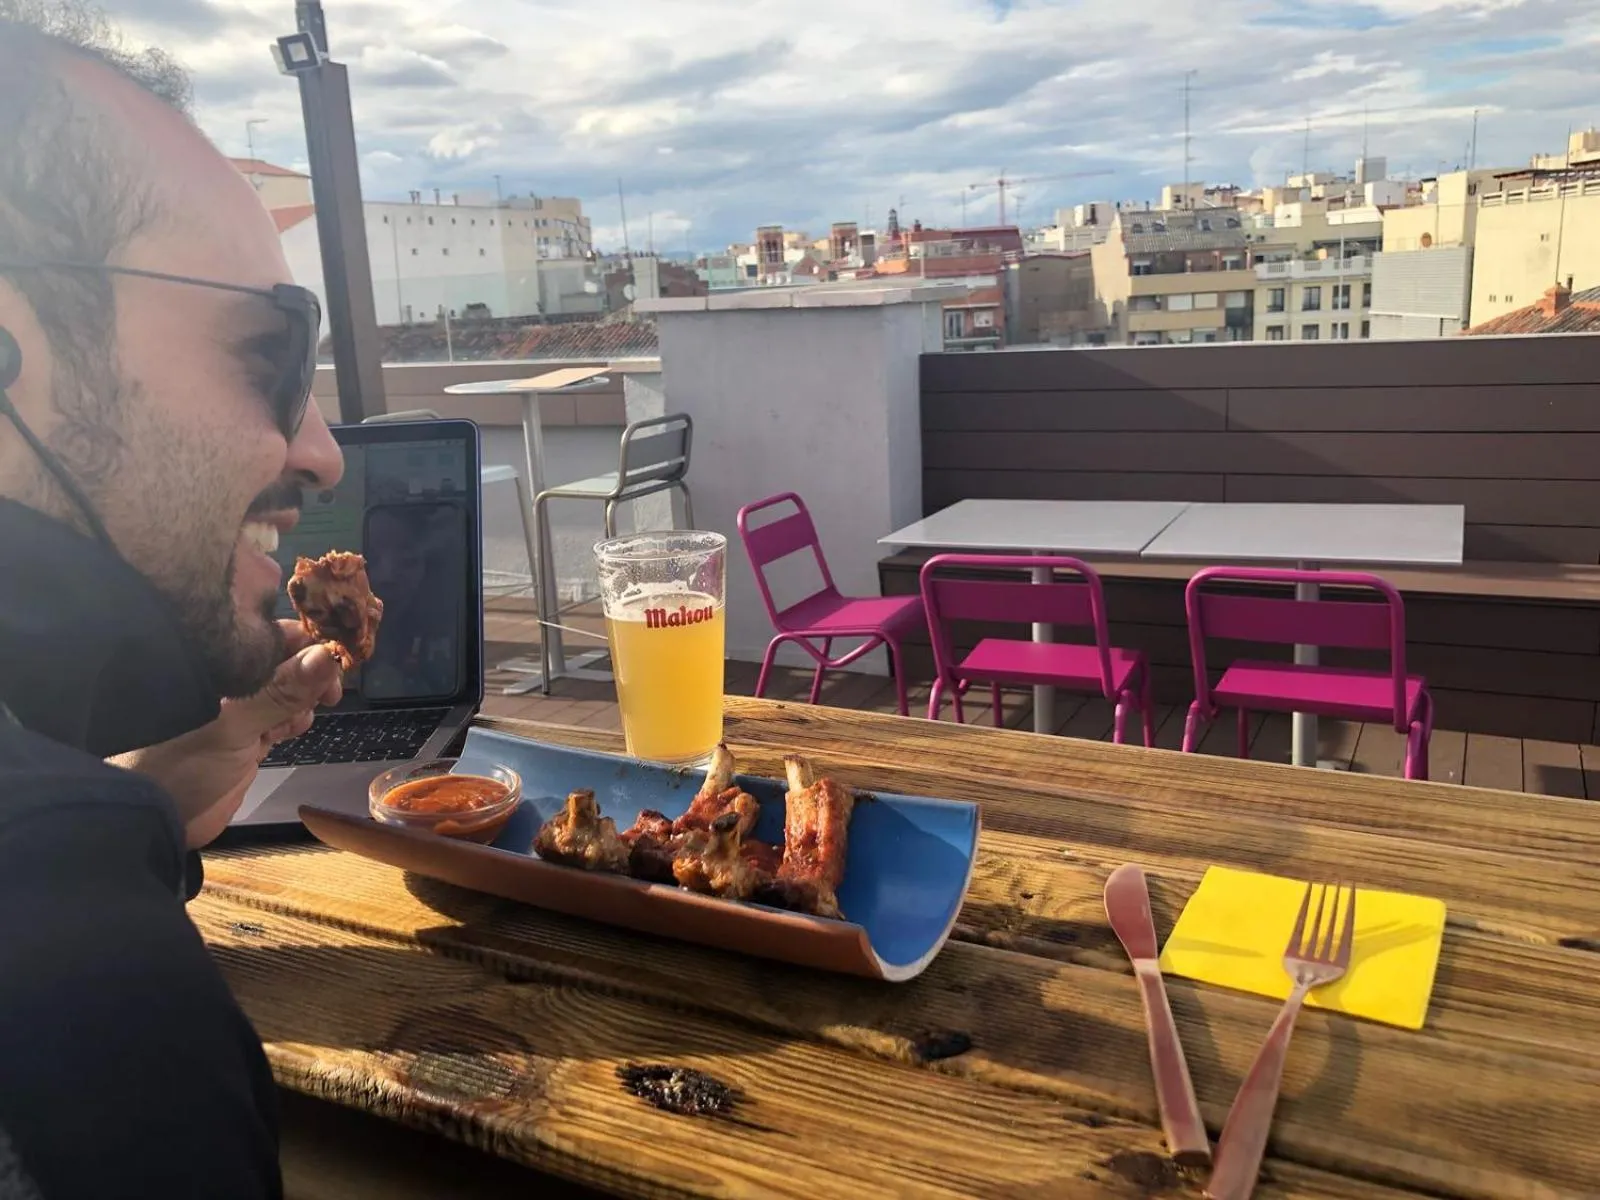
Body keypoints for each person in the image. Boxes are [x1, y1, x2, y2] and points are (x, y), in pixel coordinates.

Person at [0, 5, 345, 1196]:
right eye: (274, 353)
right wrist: (80, 856)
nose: (323, 448)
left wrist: (136, 812)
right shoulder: (79, 983)